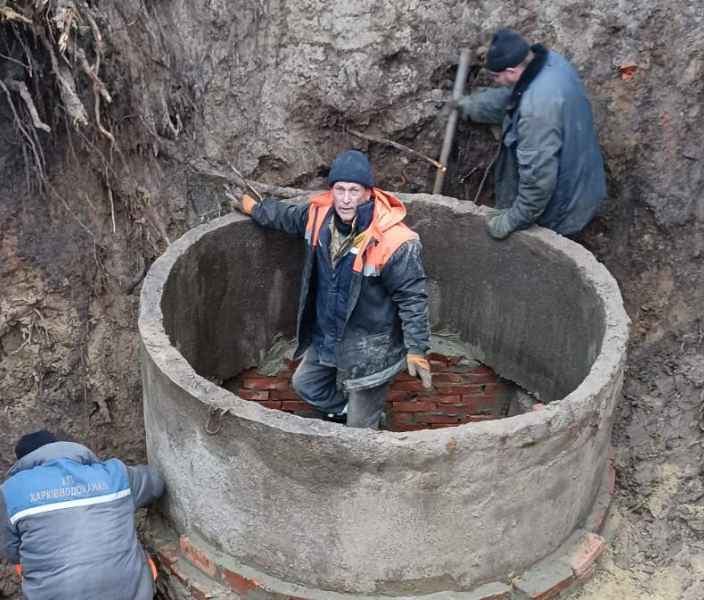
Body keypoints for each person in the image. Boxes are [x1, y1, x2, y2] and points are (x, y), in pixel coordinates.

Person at [232, 150, 431, 430]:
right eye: (340, 189)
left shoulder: (394, 240)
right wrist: (255, 209)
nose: (346, 199)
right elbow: (287, 217)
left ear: (368, 193)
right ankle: (347, 413)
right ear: (332, 191)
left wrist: (417, 349)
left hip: (370, 349)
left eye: (354, 190)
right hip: (329, 335)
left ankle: (364, 433)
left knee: (359, 433)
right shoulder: (320, 217)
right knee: (306, 385)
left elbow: (412, 297)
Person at [450, 28, 606, 239]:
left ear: (512, 71)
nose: (494, 81)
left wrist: (513, 220)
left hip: (564, 205)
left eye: (496, 76)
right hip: (582, 178)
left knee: (545, 259)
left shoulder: (537, 108)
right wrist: (471, 107)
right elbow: (511, 97)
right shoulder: (549, 64)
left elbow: (538, 181)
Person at [0, 430, 165, 600]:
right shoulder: (113, 474)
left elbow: (10, 551)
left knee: (24, 565)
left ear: (24, 463)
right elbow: (156, 483)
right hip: (130, 592)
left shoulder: (12, 491)